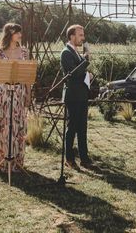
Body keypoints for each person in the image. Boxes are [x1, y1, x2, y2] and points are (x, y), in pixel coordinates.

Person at [0, 23, 31, 173]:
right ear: (10, 33)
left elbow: (27, 77)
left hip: (19, 92)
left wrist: (28, 94)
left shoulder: (25, 52)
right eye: (17, 32)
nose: (20, 35)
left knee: (17, 125)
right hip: (1, 92)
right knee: (1, 125)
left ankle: (16, 160)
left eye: (20, 32)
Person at [61, 24, 93, 169]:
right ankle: (69, 159)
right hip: (73, 96)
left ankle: (84, 159)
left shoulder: (77, 53)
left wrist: (88, 74)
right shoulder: (66, 53)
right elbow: (72, 74)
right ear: (72, 36)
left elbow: (81, 72)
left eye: (83, 35)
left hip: (82, 95)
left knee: (82, 128)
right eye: (80, 35)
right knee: (72, 128)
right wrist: (86, 61)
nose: (83, 38)